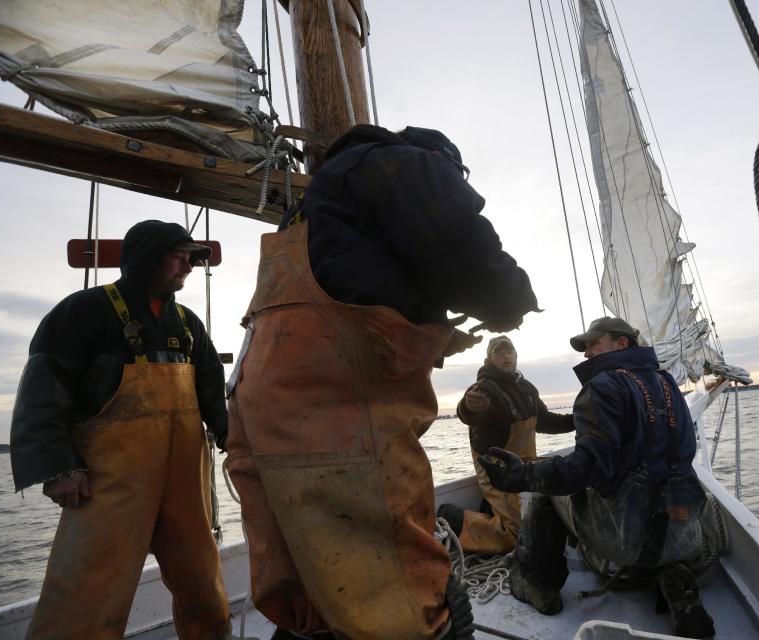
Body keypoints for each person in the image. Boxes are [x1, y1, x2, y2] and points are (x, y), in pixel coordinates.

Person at [226, 124, 539, 640]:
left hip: (259, 395)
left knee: (304, 586)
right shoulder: (403, 163)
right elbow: (461, 247)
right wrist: (511, 299)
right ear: (440, 160)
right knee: (399, 598)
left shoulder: (313, 206)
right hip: (332, 398)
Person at [10, 220, 231, 639]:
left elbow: (210, 388)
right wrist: (59, 467)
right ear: (145, 258)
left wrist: (229, 436)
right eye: (177, 255)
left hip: (184, 480)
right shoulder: (83, 311)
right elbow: (44, 388)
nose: (187, 265)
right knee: (87, 590)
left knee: (203, 582)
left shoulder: (187, 323)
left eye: (191, 257)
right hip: (107, 481)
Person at [479, 316, 717, 639]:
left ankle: (537, 584)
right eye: (585, 346)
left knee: (546, 486)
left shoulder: (602, 388)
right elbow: (683, 453)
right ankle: (674, 576)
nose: (587, 352)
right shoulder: (668, 384)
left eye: (594, 343)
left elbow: (585, 470)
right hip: (681, 533)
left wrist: (523, 474)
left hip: (628, 538)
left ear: (621, 344)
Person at [437, 335, 572, 555]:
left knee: (553, 507)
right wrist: (468, 406)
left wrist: (579, 420)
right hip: (497, 471)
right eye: (498, 352)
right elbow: (469, 413)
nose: (505, 355)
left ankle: (490, 510)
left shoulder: (527, 388)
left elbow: (545, 421)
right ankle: (452, 518)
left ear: (516, 356)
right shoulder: (483, 389)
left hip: (526, 467)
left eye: (509, 351)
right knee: (520, 534)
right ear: (489, 360)